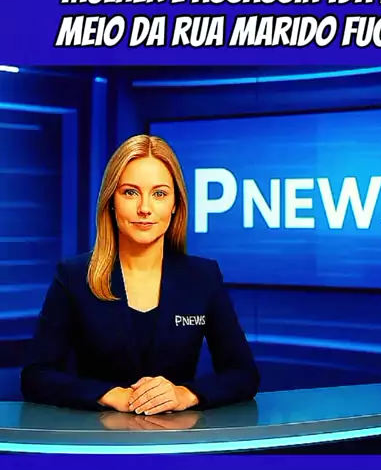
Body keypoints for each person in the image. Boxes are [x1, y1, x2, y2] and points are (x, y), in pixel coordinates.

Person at [20, 134, 260, 414]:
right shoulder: (73, 277)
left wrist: (185, 394)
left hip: (177, 437)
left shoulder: (203, 277)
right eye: (130, 192)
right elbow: (36, 376)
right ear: (111, 201)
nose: (145, 208)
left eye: (159, 194)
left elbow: (243, 374)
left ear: (175, 204)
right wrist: (109, 395)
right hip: (98, 436)